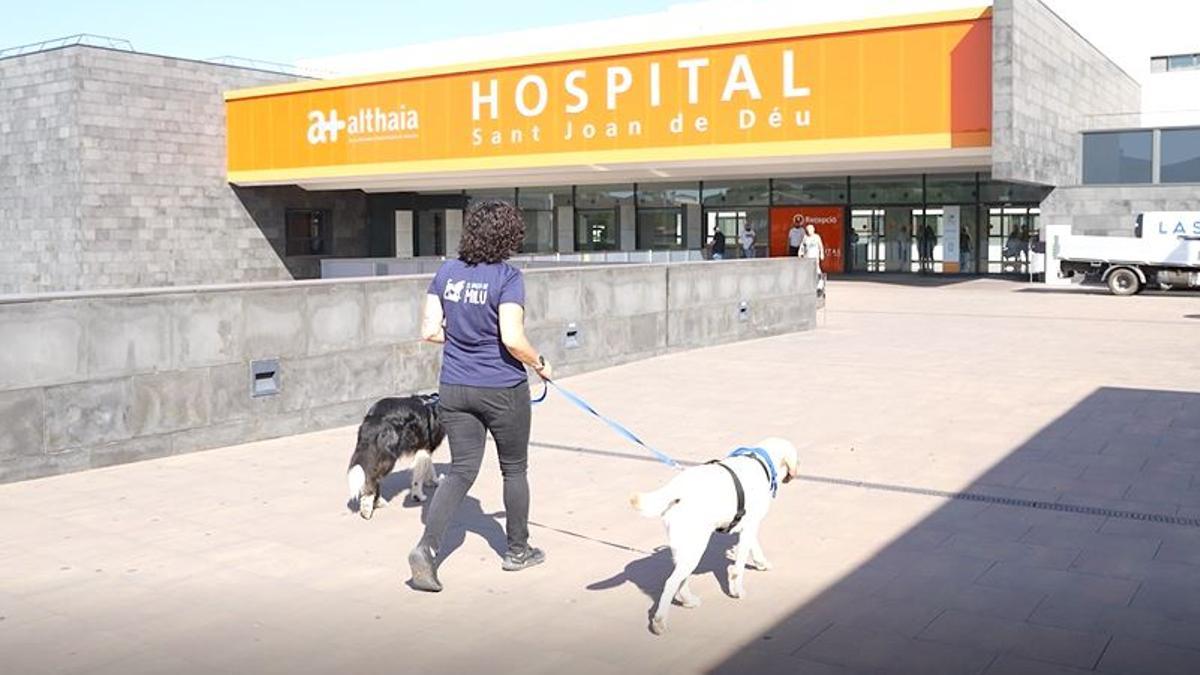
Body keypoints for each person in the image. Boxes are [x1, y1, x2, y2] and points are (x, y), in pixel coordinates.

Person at [409, 199, 552, 593]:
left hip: (454, 386)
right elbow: (512, 338)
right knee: (514, 468)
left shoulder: (446, 272)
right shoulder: (508, 277)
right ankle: (518, 551)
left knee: (461, 470)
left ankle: (426, 548)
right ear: (510, 234)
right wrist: (540, 363)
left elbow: (429, 330)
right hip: (502, 387)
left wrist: (463, 337)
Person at [800, 223, 826, 295]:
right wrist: (800, 253)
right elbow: (802, 246)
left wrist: (822, 254)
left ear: (813, 230)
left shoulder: (817, 237)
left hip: (815, 258)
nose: (809, 231)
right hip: (808, 258)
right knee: (808, 272)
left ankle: (820, 286)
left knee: (817, 271)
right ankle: (809, 287)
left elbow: (821, 246)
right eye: (808, 230)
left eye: (810, 230)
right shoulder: (805, 238)